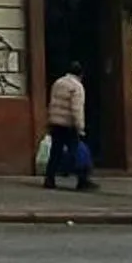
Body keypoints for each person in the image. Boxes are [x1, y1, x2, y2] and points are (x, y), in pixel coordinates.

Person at [43, 62, 93, 191]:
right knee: (77, 151)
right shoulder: (77, 87)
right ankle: (82, 180)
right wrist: (80, 127)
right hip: (68, 124)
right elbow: (76, 108)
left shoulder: (58, 83)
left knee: (55, 152)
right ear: (80, 74)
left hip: (55, 122)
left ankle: (49, 179)